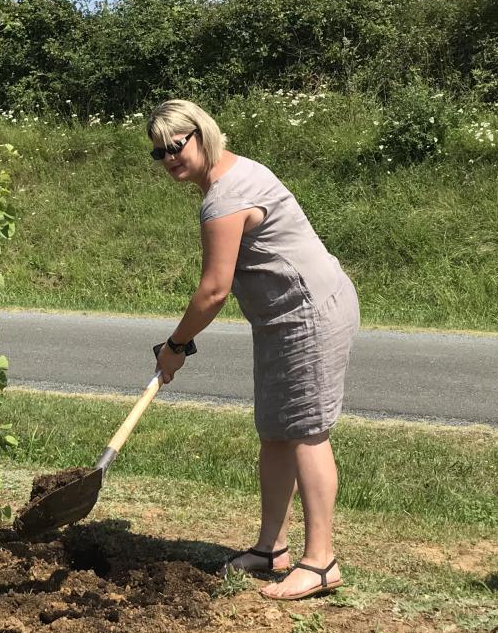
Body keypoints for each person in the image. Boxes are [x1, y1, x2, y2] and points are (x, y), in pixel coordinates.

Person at [148, 100, 359, 600]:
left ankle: (321, 561)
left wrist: (176, 345)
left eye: (177, 146)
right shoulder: (237, 169)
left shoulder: (224, 198)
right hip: (282, 318)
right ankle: (271, 548)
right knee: (276, 432)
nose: (170, 159)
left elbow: (213, 291)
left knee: (306, 431)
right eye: (159, 154)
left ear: (201, 134)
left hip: (307, 314)